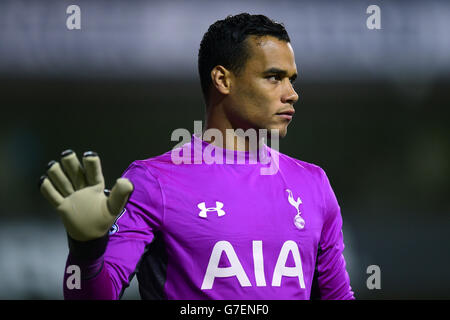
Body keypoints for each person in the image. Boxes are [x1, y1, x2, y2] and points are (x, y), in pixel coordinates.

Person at [39, 13, 354, 300]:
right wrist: (85, 250)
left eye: (291, 79)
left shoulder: (313, 184)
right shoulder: (153, 183)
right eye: (274, 77)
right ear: (222, 80)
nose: (291, 93)